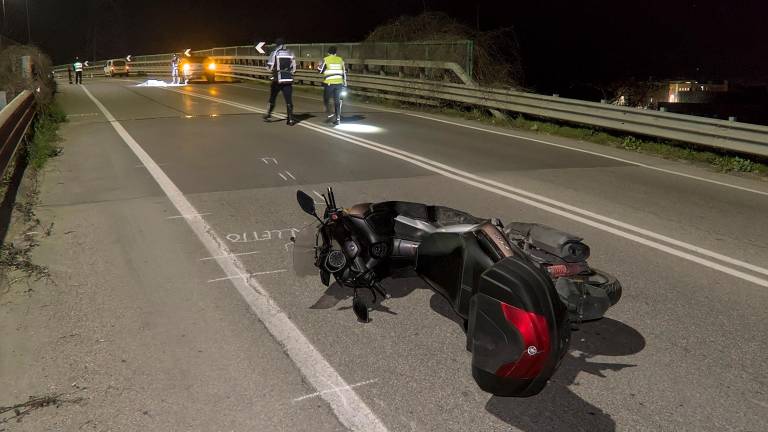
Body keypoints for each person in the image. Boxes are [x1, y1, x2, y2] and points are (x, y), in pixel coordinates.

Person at [263, 38, 297, 126]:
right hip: (288, 80)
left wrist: (269, 69)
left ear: (277, 45)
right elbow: (294, 68)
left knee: (273, 97)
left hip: (277, 79)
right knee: (288, 100)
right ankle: (290, 120)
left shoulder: (275, 53)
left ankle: (268, 115)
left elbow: (270, 67)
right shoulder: (290, 52)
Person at [318, 46, 347, 125]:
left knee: (326, 99)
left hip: (329, 83)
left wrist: (319, 65)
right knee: (337, 101)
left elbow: (320, 71)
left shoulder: (326, 59)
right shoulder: (340, 59)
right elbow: (344, 72)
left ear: (328, 52)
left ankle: (329, 113)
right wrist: (345, 83)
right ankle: (338, 119)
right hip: (339, 83)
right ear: (335, 52)